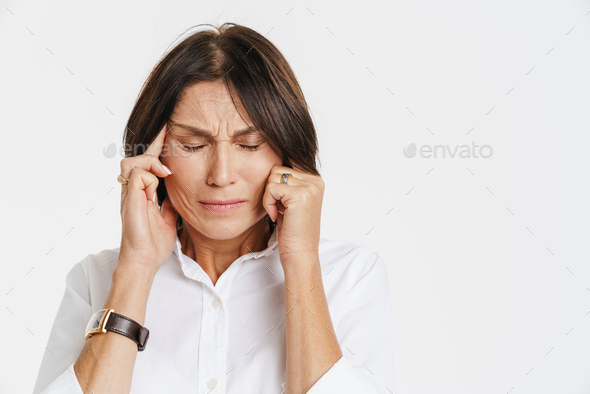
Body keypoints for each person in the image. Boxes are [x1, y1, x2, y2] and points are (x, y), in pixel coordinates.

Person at [33, 22, 395, 394]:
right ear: (152, 157)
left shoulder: (349, 275)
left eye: (250, 145)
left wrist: (300, 260)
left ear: (287, 152)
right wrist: (135, 271)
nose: (221, 176)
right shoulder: (95, 280)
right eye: (192, 145)